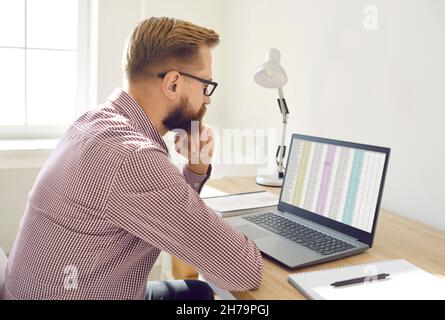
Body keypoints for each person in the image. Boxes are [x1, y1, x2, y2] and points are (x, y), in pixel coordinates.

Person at [4, 17, 263, 300]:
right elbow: (243, 270)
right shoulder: (132, 157)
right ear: (174, 83)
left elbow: (172, 217)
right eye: (205, 86)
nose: (207, 100)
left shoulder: (95, 122)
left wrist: (196, 167)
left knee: (197, 292)